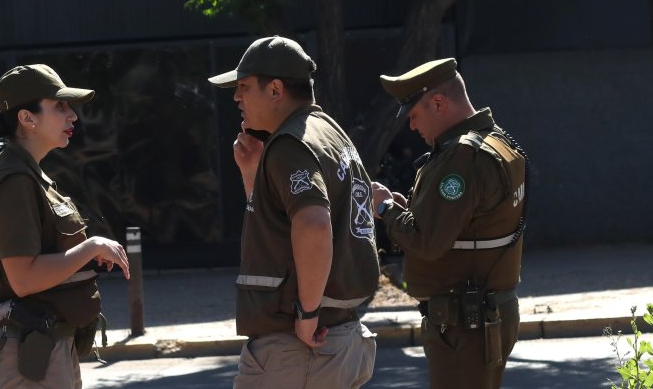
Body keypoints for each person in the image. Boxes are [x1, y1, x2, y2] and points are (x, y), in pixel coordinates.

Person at [208, 36, 380, 389]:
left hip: (299, 348)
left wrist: (307, 313)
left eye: (243, 87)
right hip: (338, 339)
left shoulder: (289, 144)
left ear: (275, 89)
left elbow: (314, 226)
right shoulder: (330, 132)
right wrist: (253, 177)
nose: (237, 97)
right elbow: (283, 227)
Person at [0, 64, 130, 389]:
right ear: (27, 118)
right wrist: (91, 247)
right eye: (60, 106)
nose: (73, 116)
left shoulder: (27, 174)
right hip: (27, 353)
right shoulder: (15, 180)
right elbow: (23, 278)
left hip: (41, 345)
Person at [370, 58, 527, 389]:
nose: (411, 127)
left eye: (413, 115)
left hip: (465, 322)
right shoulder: (494, 140)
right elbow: (465, 225)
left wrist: (383, 207)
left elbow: (428, 242)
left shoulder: (462, 156)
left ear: (438, 103)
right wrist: (405, 210)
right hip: (482, 313)